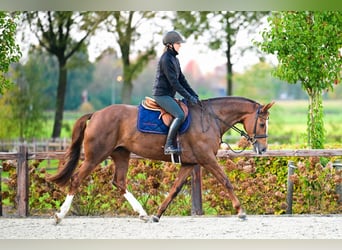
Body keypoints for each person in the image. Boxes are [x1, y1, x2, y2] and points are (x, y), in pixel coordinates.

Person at [152, 30, 200, 155]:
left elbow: (182, 80)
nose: (180, 45)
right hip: (161, 95)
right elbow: (174, 83)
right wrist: (188, 97)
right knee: (180, 115)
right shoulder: (166, 59)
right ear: (170, 45)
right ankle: (168, 146)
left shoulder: (174, 59)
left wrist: (193, 94)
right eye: (178, 43)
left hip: (169, 95)